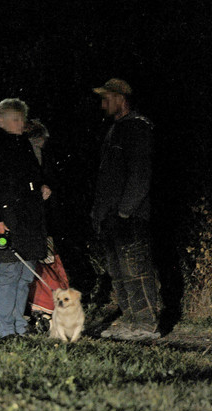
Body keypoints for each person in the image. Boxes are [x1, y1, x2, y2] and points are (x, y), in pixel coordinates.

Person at [90, 78, 161, 341]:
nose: (103, 104)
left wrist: (125, 211)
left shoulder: (137, 128)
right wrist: (100, 214)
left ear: (121, 98)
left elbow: (141, 175)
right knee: (119, 274)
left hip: (129, 217)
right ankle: (132, 323)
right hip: (112, 217)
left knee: (136, 271)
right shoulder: (116, 129)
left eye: (107, 98)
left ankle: (145, 325)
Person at [0, 98, 48, 339]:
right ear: (0, 121)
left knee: (26, 274)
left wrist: (42, 187)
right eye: (15, 119)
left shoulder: (23, 144)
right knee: (8, 273)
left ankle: (19, 324)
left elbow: (32, 176)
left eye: (21, 119)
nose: (21, 124)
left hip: (27, 220)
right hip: (7, 220)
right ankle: (5, 328)